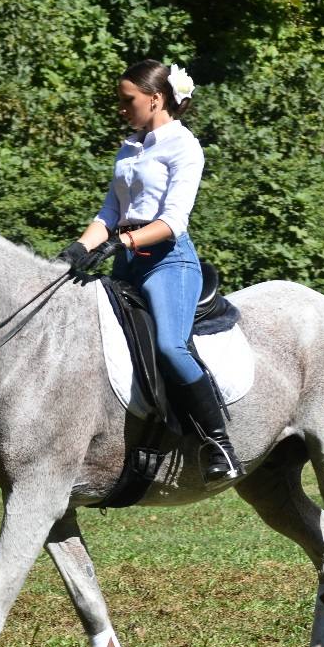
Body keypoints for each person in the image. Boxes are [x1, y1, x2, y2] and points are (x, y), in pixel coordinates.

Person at [59, 59, 243, 484]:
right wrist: (77, 248)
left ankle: (219, 443)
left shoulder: (184, 147)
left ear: (156, 98)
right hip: (124, 258)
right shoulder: (131, 146)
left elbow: (172, 221)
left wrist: (118, 243)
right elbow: (110, 211)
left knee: (169, 347)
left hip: (166, 261)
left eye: (129, 101)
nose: (122, 109)